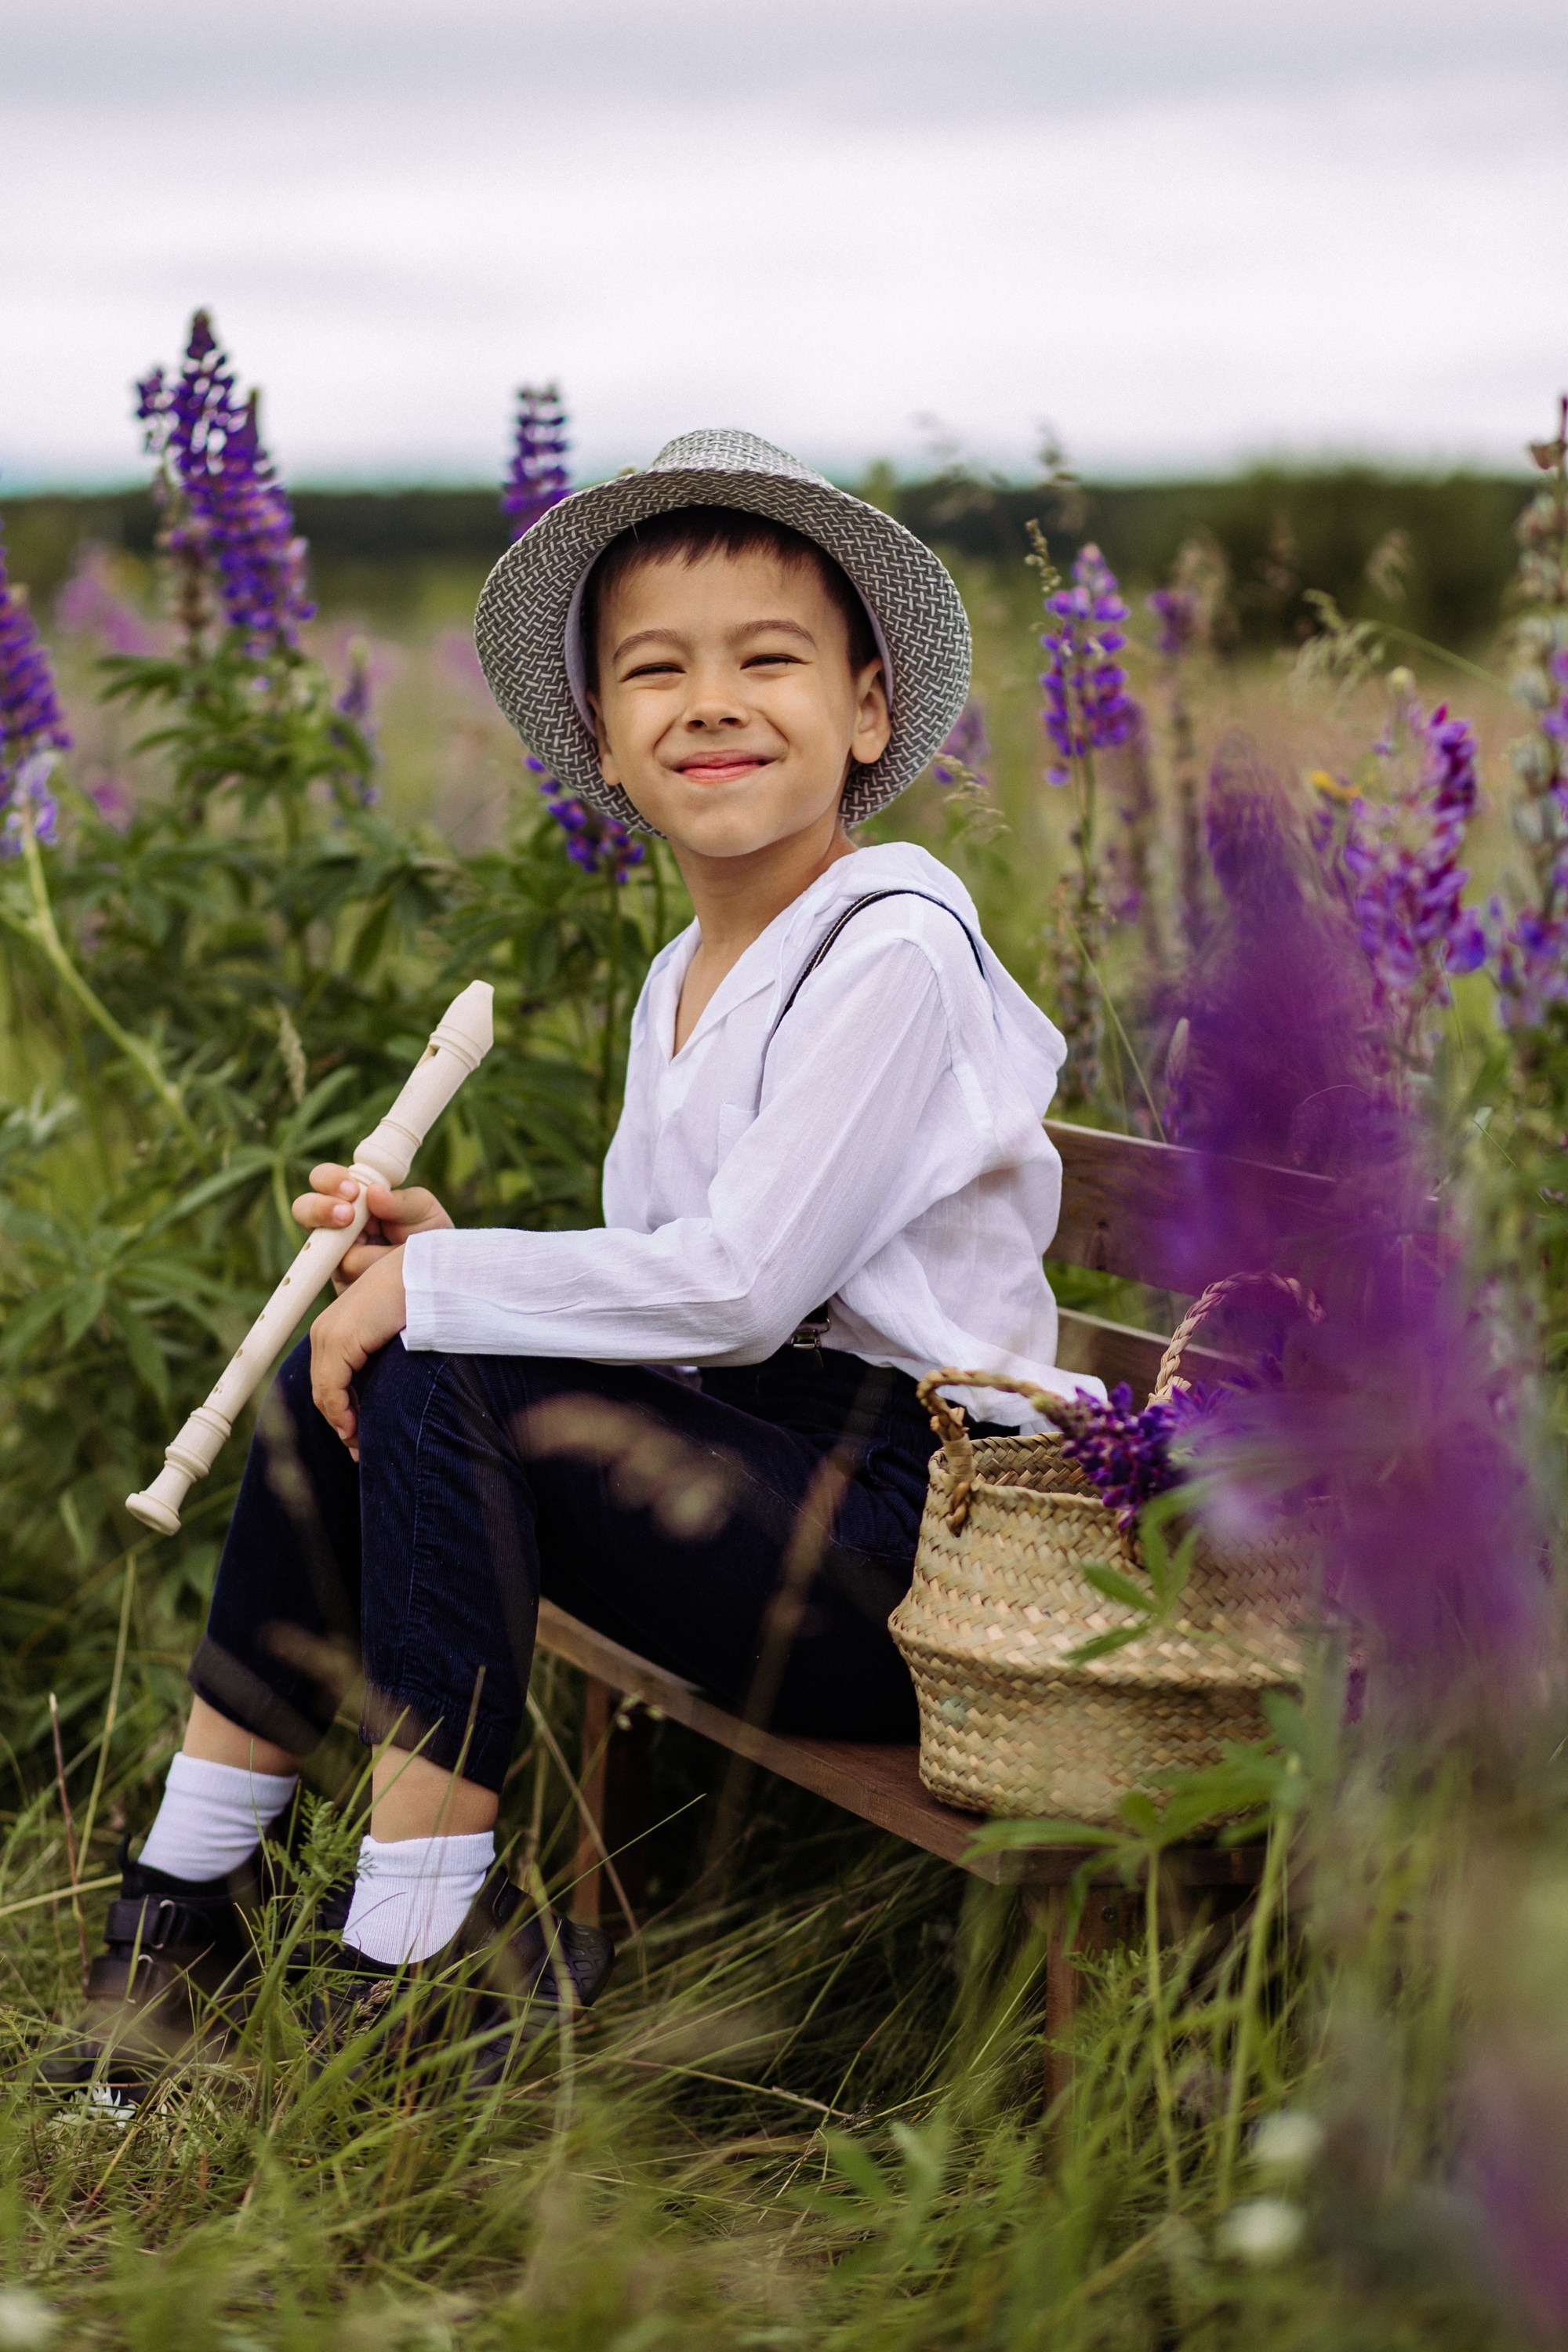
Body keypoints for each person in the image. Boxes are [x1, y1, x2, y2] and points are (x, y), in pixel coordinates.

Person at [43, 430, 1100, 2097]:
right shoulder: (681, 968)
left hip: (927, 1545)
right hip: (767, 1483)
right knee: (376, 1363)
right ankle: (183, 1905)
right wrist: (443, 1264)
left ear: (868, 711)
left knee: (427, 1351)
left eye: (769, 660)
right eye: (656, 670)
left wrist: (454, 1306)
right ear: (603, 740)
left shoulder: (895, 938)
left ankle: (416, 1952)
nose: (712, 701)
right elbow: (670, 1284)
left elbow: (742, 1288)